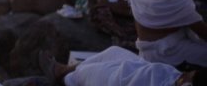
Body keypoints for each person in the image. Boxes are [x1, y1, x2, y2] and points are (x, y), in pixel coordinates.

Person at [38, 46, 205, 86]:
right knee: (113, 51)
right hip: (163, 73)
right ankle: (63, 69)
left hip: (134, 81)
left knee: (86, 72)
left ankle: (65, 77)